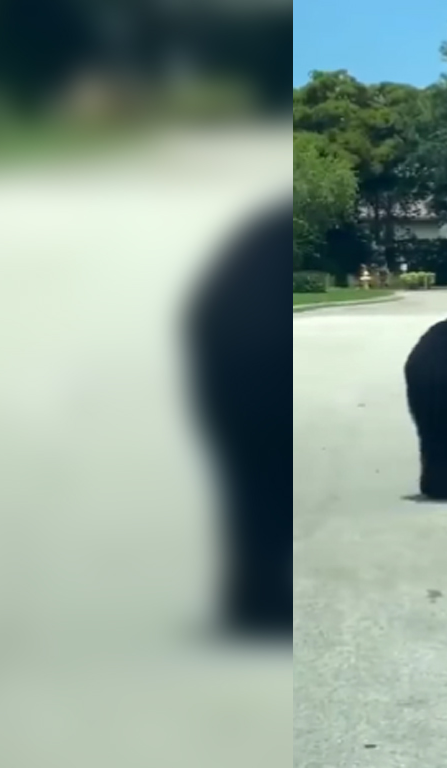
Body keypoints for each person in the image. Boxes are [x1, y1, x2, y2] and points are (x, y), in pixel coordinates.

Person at [184, 197, 289, 641]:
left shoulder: (254, 239)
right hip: (248, 371)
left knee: (248, 492)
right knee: (258, 489)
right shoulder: (264, 238)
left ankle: (251, 597)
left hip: (229, 368)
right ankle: (255, 601)